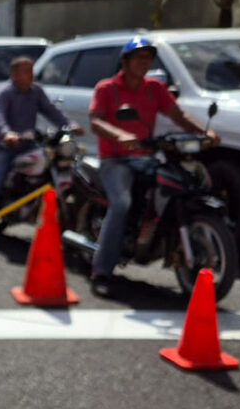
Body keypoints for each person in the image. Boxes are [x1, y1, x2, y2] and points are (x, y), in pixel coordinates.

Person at [88, 36, 219, 297]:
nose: (144, 63)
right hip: (116, 160)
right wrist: (120, 135)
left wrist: (205, 133)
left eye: (148, 58)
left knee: (177, 186)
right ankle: (101, 271)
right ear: (125, 61)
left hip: (147, 156)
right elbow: (96, 121)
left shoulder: (155, 88)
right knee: (122, 203)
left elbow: (178, 116)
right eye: (139, 57)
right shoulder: (107, 88)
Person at [0, 56, 81, 243]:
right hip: (2, 147)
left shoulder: (36, 91)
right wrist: (7, 134)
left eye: (32, 71)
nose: (31, 75)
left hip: (27, 145)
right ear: (15, 74)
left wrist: (69, 125)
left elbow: (51, 111)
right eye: (26, 71)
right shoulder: (5, 92)